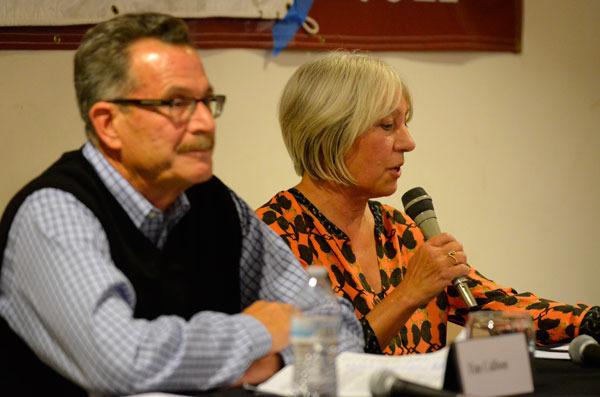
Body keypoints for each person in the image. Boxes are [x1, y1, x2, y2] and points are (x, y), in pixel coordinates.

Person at [0, 14, 364, 396]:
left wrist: (272, 361)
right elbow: (121, 361)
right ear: (108, 123)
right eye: (177, 103)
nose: (205, 122)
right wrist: (256, 332)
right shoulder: (54, 212)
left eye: (207, 101)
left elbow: (333, 324)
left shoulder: (216, 204)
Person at [256, 51, 600, 355]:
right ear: (331, 134)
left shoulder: (400, 229)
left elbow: (492, 306)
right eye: (388, 125)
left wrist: (590, 321)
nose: (408, 142)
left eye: (406, 123)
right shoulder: (272, 235)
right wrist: (408, 293)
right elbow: (314, 361)